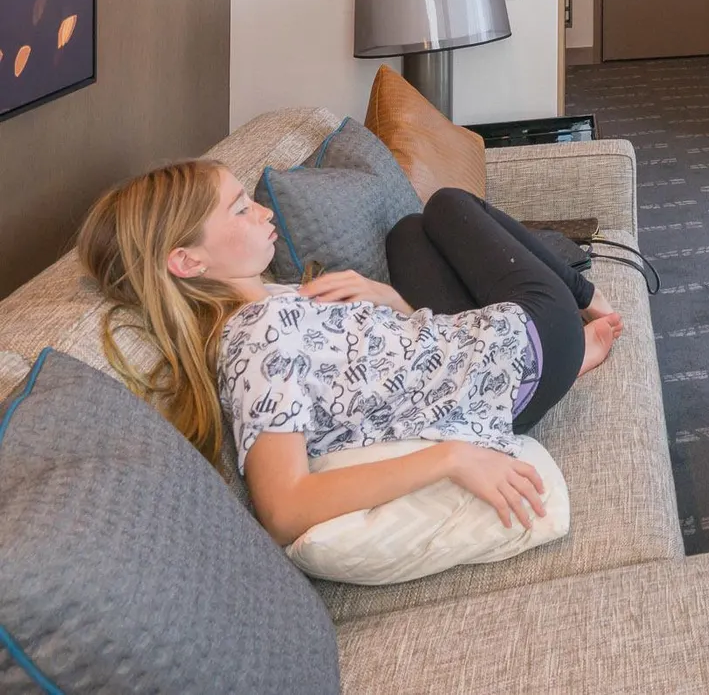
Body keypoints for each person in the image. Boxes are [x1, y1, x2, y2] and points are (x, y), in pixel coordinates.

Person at [77, 159, 623, 547]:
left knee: (410, 233)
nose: (264, 212)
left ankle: (569, 343)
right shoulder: (259, 338)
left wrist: (390, 302)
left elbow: (386, 369)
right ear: (188, 262)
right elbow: (284, 506)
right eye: (240, 210)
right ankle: (586, 300)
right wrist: (450, 458)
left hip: (467, 358)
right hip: (526, 348)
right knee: (449, 204)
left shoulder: (275, 300)